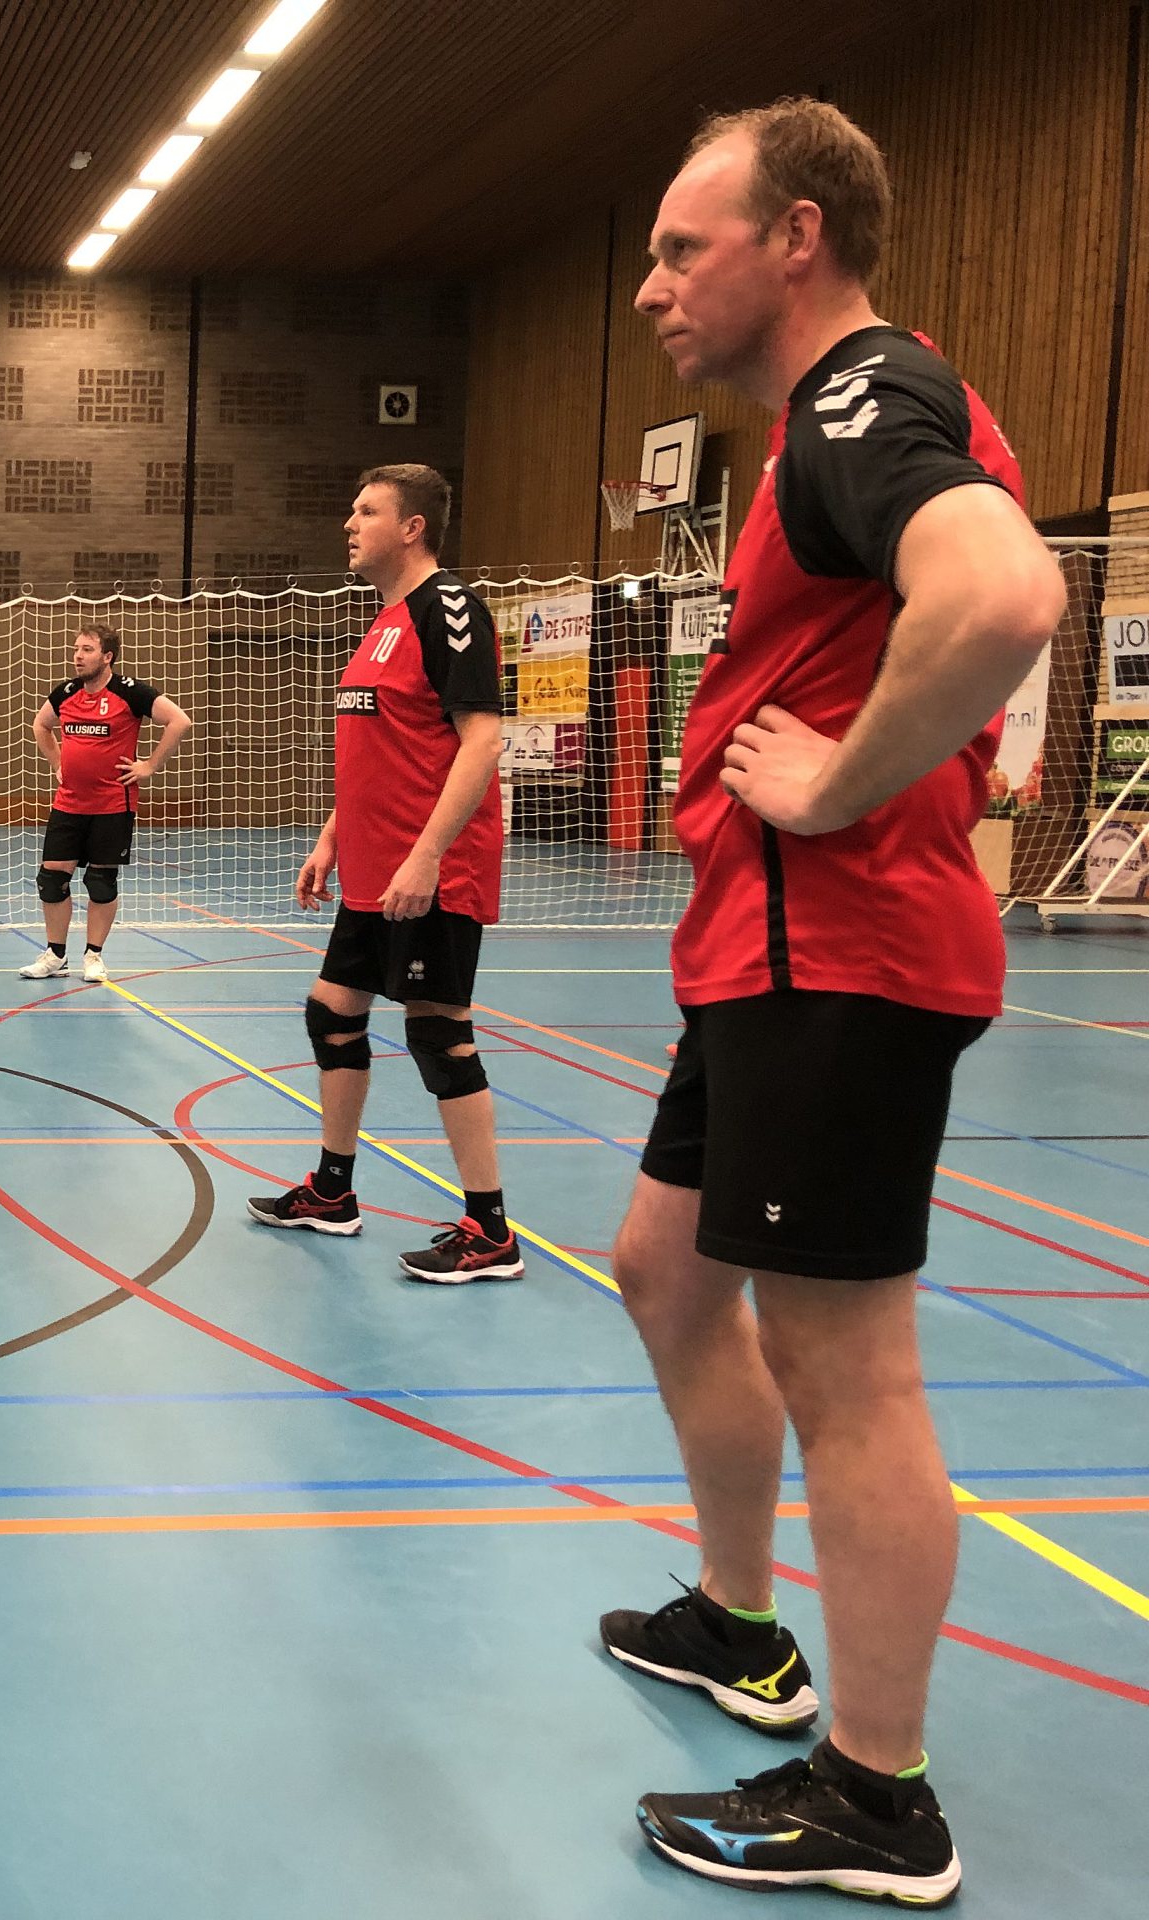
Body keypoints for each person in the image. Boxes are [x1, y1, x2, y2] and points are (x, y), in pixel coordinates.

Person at [603, 98, 1062, 1905]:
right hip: (760, 956)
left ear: (797, 237)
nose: (653, 288)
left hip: (842, 954)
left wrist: (842, 779)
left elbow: (1007, 594)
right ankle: (739, 1620)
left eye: (682, 248)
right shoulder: (818, 430)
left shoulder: (866, 399)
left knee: (844, 1367)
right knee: (664, 1272)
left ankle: (879, 1794)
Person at [246, 465, 518, 1286]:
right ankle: (333, 1192)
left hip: (431, 871)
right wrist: (332, 838)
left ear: (412, 527)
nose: (349, 523)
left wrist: (428, 855)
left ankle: (490, 1231)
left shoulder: (449, 609)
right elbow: (382, 750)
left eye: (366, 511)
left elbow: (481, 741)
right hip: (373, 873)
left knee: (439, 1035)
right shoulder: (384, 621)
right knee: (332, 1014)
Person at [16, 623, 190, 986]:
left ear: (107, 656)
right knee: (51, 880)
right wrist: (58, 764)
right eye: (76, 649)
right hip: (69, 804)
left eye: (87, 650)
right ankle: (55, 955)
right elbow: (40, 725)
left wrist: (149, 765)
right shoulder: (66, 693)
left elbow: (179, 720)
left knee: (100, 881)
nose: (78, 656)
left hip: (112, 805)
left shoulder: (130, 692)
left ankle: (93, 956)